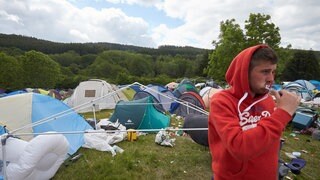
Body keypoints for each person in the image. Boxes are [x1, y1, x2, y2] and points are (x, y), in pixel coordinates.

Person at [208, 44, 301, 180]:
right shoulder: (221, 102)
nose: (271, 79)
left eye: (273, 72)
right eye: (265, 71)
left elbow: (270, 139)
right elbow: (239, 148)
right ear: (244, 72)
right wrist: (282, 113)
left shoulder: (268, 101)